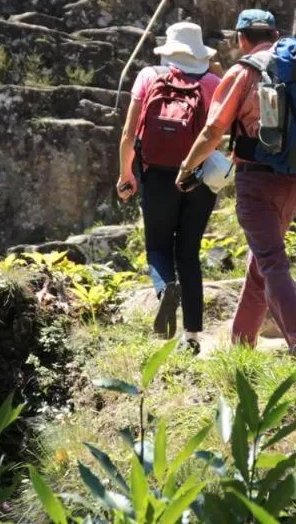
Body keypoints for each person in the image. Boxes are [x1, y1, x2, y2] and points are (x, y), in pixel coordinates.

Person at [177, 10, 296, 359]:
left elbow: (212, 131)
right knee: (261, 265)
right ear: (275, 33)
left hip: (257, 180)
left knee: (271, 264)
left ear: (241, 38)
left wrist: (186, 167)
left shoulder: (244, 72)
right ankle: (240, 347)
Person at [117, 21, 221, 354]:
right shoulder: (214, 83)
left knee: (158, 247)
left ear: (168, 50)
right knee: (188, 253)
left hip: (157, 173)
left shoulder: (148, 76)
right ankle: (191, 338)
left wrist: (126, 175)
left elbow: (129, 134)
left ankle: (166, 291)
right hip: (198, 175)